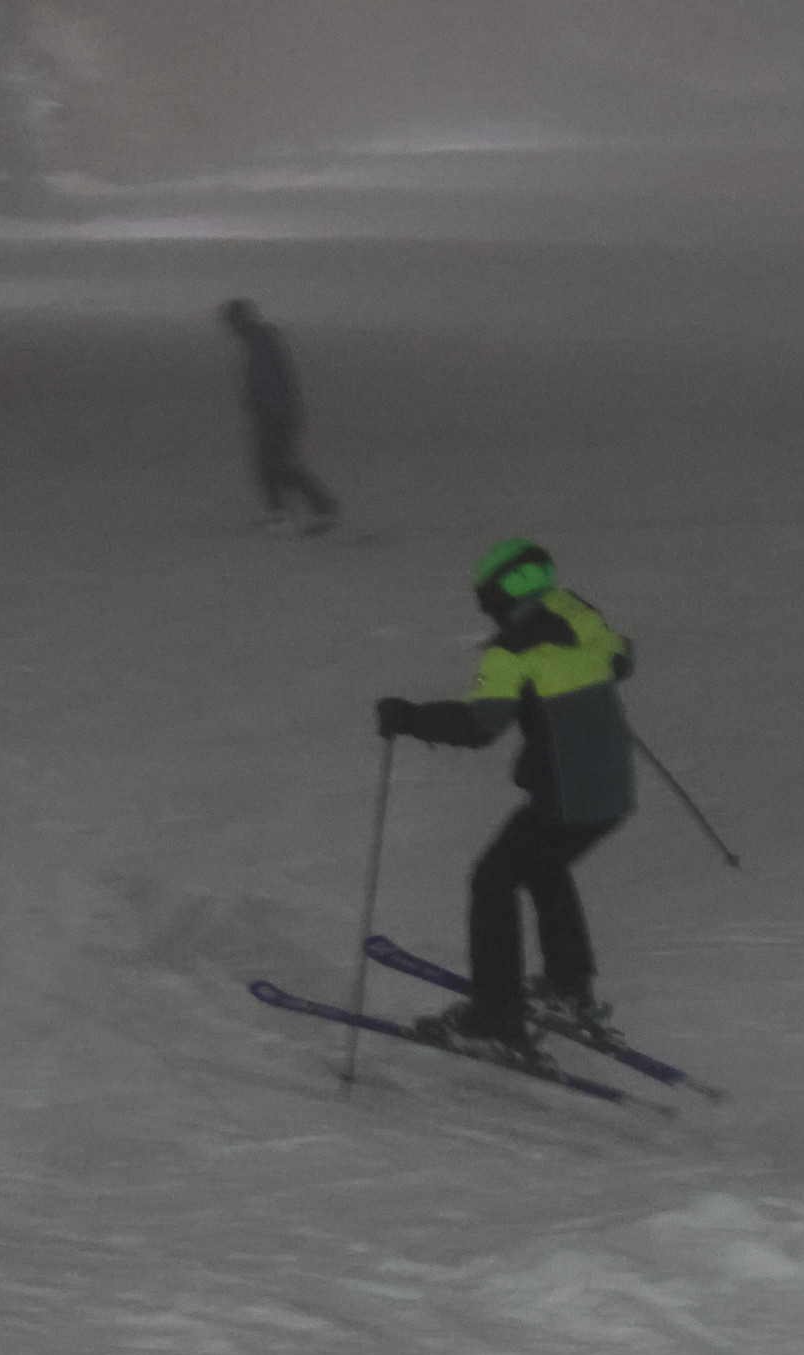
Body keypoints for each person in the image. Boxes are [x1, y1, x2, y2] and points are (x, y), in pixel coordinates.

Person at [374, 540, 635, 1058]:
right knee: (542, 867)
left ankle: (496, 1019)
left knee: (493, 881)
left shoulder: (512, 651)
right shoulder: (577, 612)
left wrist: (409, 718)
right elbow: (621, 659)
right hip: (613, 790)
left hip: (567, 799)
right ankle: (568, 987)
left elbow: (480, 726)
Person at [218, 298, 339, 534]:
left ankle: (313, 508)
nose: (230, 329)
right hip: (278, 411)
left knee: (277, 465)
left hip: (274, 413)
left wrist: (258, 406)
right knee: (273, 464)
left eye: (231, 322)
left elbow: (266, 381)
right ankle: (293, 510)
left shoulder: (258, 341)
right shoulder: (260, 339)